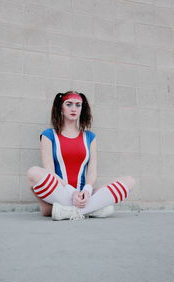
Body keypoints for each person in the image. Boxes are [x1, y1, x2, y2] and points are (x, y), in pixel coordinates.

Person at [27, 91, 135, 220]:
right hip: (60, 191)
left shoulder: (90, 137)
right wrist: (71, 192)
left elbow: (92, 171)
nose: (74, 108)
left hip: (84, 194)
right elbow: (49, 171)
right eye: (69, 104)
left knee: (129, 181)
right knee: (33, 172)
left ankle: (69, 211)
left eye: (78, 105)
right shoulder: (49, 135)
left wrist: (87, 191)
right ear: (61, 108)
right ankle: (91, 210)